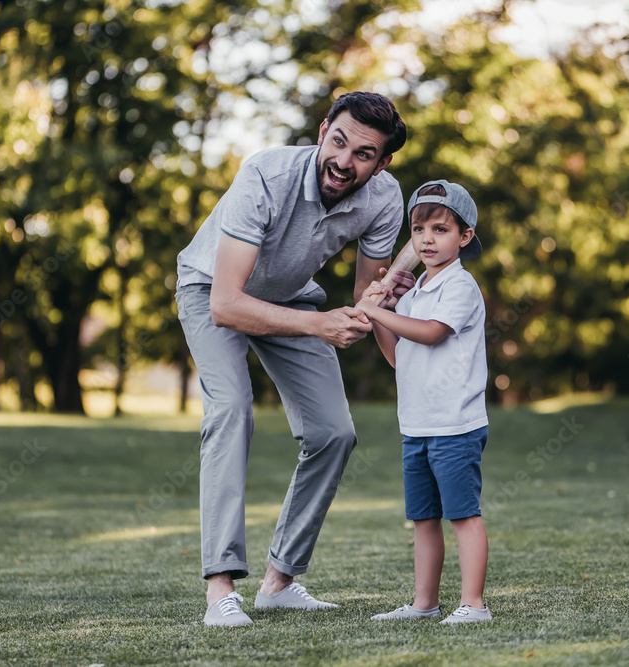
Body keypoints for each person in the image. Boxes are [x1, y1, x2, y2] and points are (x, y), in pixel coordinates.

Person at [175, 92, 411, 627]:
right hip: (213, 290)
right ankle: (220, 590)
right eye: (339, 141)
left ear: (383, 163)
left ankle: (279, 582)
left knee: (334, 432)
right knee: (232, 409)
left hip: (291, 297)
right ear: (323, 129)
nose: (344, 161)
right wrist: (321, 324)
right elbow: (227, 304)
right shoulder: (265, 174)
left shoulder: (384, 199)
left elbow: (365, 298)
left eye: (364, 154)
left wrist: (400, 358)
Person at [355, 180, 492, 625]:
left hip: (455, 424)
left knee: (463, 517)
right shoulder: (412, 296)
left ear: (464, 236)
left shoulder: (460, 287)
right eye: (418, 230)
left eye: (440, 229)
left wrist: (376, 310)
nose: (427, 239)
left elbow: (433, 333)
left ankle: (473, 604)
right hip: (416, 424)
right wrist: (381, 311)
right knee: (424, 519)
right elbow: (399, 356)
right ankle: (424, 604)